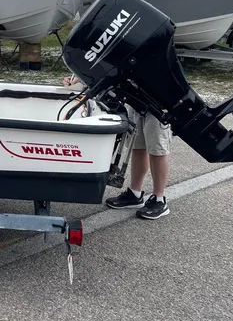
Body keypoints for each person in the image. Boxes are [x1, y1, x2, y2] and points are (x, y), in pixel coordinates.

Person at [63, 75, 170, 220]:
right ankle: (135, 193)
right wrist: (82, 80)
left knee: (157, 150)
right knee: (137, 146)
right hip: (137, 98)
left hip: (160, 101)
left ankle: (159, 199)